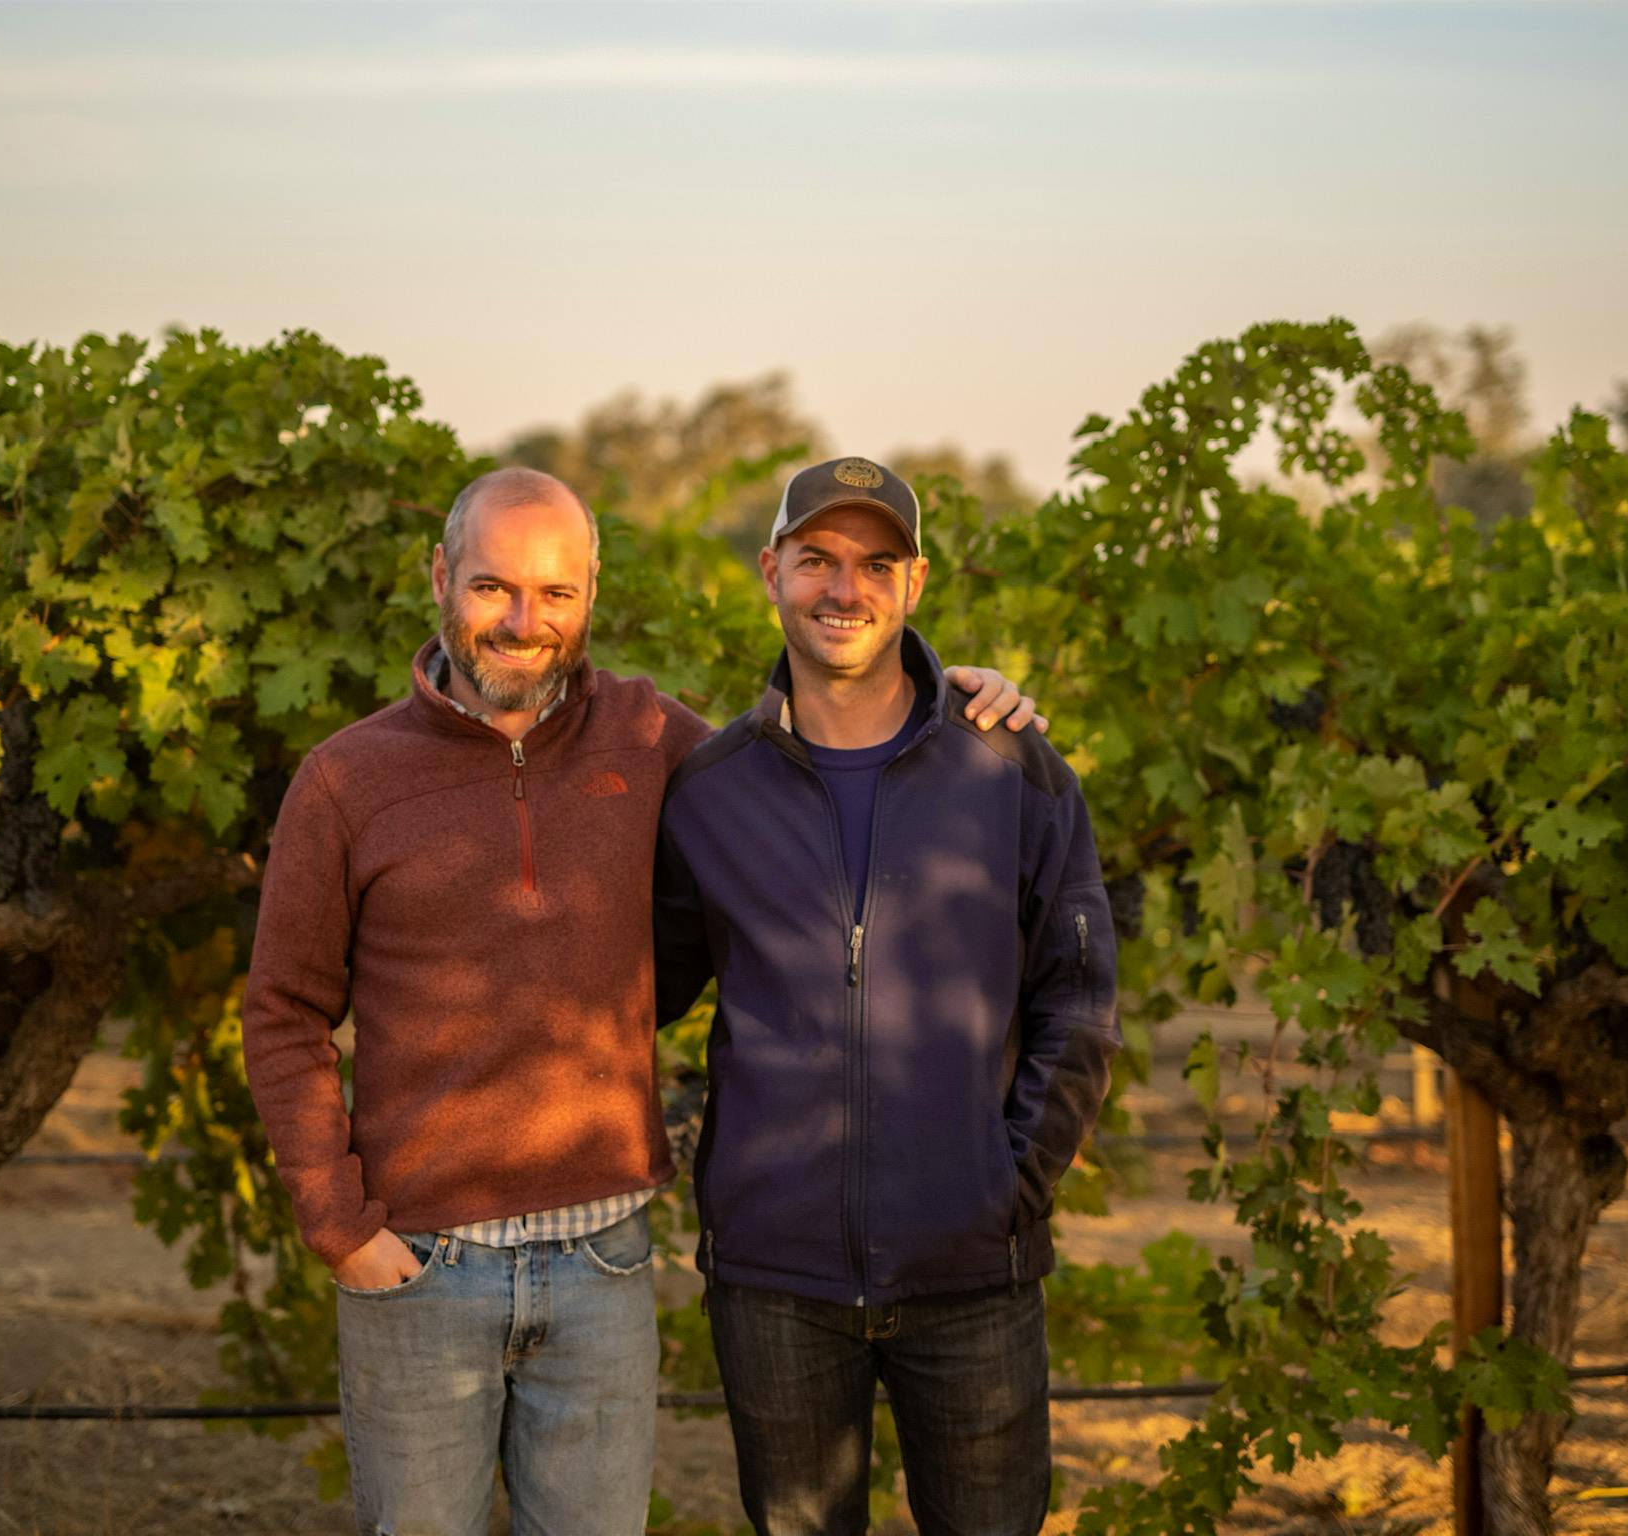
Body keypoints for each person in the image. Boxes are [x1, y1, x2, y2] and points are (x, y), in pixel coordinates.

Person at [239, 465, 1041, 1534]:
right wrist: (339, 1226)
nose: (525, 622)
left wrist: (952, 696)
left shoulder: (654, 739)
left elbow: (811, 756)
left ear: (591, 593)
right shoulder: (347, 778)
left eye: (556, 593)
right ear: (440, 577)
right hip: (420, 1269)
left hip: (603, 1265)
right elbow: (284, 1009)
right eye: (493, 588)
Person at [654, 455, 1121, 1536]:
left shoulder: (1013, 766)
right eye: (816, 558)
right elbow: (639, 985)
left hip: (974, 1270)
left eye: (876, 563)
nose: (843, 587)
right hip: (775, 1281)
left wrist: (1012, 1183)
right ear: (769, 571)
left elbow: (1080, 992)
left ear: (915, 586)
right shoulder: (710, 790)